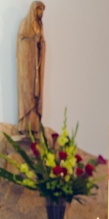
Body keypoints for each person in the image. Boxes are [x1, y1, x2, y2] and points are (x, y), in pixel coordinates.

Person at [17, 1, 46, 135]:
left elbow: (42, 43)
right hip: (27, 69)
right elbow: (21, 43)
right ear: (33, 10)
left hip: (36, 67)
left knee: (36, 93)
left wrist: (40, 42)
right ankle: (25, 125)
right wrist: (32, 41)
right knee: (27, 93)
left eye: (42, 11)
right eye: (39, 10)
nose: (41, 13)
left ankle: (34, 125)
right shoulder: (25, 24)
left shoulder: (40, 26)